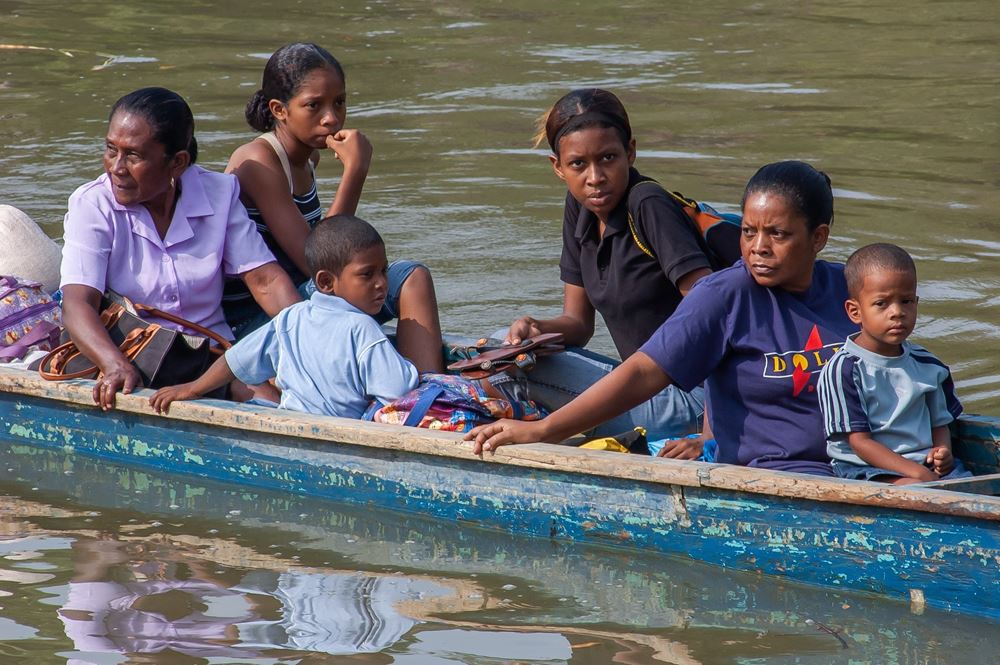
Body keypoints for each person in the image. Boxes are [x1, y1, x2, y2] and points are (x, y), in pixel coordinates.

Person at [468, 160, 859, 477]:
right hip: (767, 475)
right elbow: (642, 373)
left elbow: (899, 370)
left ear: (818, 238)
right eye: (748, 231)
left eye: (777, 234)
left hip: (855, 467)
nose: (758, 248)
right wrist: (542, 431)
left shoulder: (850, 289)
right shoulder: (724, 295)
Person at [496, 88, 717, 445]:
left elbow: (715, 311)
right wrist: (535, 327)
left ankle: (534, 429)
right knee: (499, 348)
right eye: (578, 164)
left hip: (695, 404)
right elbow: (579, 326)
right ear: (558, 167)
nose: (595, 177)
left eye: (608, 158)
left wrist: (710, 437)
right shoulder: (580, 207)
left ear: (630, 152)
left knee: (509, 374)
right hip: (642, 388)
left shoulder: (648, 205)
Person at [60, 87, 301, 411]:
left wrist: (309, 339)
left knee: (278, 405)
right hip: (137, 355)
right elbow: (78, 304)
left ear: (178, 162)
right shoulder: (93, 205)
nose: (116, 167)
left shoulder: (219, 193)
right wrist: (113, 364)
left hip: (212, 358)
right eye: (110, 149)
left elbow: (267, 282)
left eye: (133, 156)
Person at [223, 42, 443, 372]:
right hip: (258, 325)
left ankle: (430, 393)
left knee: (412, 277)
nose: (331, 118)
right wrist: (355, 171)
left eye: (339, 102)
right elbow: (318, 259)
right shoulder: (260, 163)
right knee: (356, 276)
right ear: (279, 110)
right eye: (314, 106)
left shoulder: (308, 155)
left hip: (308, 297)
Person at [150, 215, 419, 418]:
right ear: (326, 282)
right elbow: (398, 389)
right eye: (367, 274)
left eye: (384, 271)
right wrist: (412, 370)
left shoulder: (291, 318)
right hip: (340, 430)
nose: (382, 283)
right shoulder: (363, 328)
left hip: (292, 420)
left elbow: (235, 360)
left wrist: (193, 389)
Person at [817, 243, 972, 484]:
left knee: (977, 492)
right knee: (919, 492)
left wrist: (943, 452)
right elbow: (859, 443)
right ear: (855, 311)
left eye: (907, 301)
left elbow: (940, 422)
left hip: (924, 463)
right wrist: (916, 473)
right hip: (866, 467)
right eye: (882, 303)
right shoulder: (844, 369)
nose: (897, 312)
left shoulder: (928, 364)